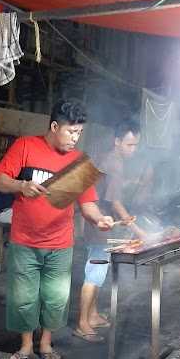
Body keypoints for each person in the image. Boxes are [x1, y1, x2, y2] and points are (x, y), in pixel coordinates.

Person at [0, 98, 114, 359]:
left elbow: (88, 203)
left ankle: (46, 344)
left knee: (55, 298)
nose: (75, 138)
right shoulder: (26, 146)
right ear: (55, 125)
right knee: (24, 296)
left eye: (79, 133)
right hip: (25, 240)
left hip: (60, 243)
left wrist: (100, 219)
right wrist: (21, 185)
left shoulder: (79, 161)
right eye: (71, 132)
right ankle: (25, 345)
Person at [75, 118, 143, 342]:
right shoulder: (114, 164)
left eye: (136, 145)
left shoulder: (110, 159)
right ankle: (83, 323)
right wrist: (139, 231)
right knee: (93, 274)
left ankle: (92, 315)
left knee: (98, 272)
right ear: (117, 142)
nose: (133, 150)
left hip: (101, 224)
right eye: (130, 145)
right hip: (99, 225)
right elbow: (114, 202)